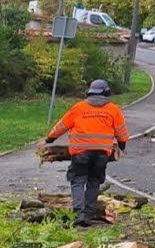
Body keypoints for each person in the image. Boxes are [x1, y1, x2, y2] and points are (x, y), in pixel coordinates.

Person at [43, 79, 130, 227]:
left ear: (89, 92)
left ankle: (79, 214)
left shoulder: (79, 107)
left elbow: (62, 125)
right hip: (102, 153)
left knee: (77, 180)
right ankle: (88, 215)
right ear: (107, 93)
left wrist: (50, 139)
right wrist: (122, 145)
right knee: (94, 182)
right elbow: (121, 132)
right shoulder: (113, 109)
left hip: (80, 152)